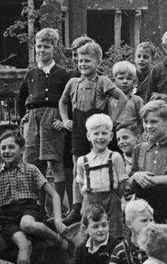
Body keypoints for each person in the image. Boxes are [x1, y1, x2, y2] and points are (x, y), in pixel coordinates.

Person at [0, 130, 69, 264]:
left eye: (11, 147)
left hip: (29, 208)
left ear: (21, 150)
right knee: (24, 245)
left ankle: (58, 240)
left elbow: (54, 195)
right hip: (7, 217)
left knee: (27, 225)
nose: (6, 151)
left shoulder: (31, 170)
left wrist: (57, 219)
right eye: (3, 148)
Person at [58, 40, 127, 215]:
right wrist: (66, 119)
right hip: (79, 130)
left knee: (106, 162)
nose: (83, 64)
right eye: (80, 61)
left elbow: (122, 99)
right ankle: (77, 208)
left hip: (100, 130)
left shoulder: (103, 81)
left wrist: (111, 121)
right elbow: (63, 101)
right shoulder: (73, 82)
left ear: (98, 62)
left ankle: (114, 200)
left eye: (87, 61)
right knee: (77, 167)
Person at [17, 27, 72, 201]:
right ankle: (37, 205)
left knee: (56, 163)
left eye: (47, 47)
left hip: (53, 119)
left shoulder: (63, 73)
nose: (42, 50)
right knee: (33, 164)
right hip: (33, 119)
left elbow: (68, 100)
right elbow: (20, 98)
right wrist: (23, 118)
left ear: (54, 48)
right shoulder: (31, 73)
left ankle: (58, 205)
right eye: (39, 46)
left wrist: (64, 121)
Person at [74, 113, 128, 239]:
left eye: (104, 133)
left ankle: (114, 256)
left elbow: (122, 183)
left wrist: (114, 197)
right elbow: (81, 183)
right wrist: (89, 198)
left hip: (111, 199)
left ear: (111, 136)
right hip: (91, 199)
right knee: (90, 232)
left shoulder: (115, 157)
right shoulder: (83, 160)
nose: (100, 137)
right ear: (88, 136)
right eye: (96, 134)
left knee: (114, 232)